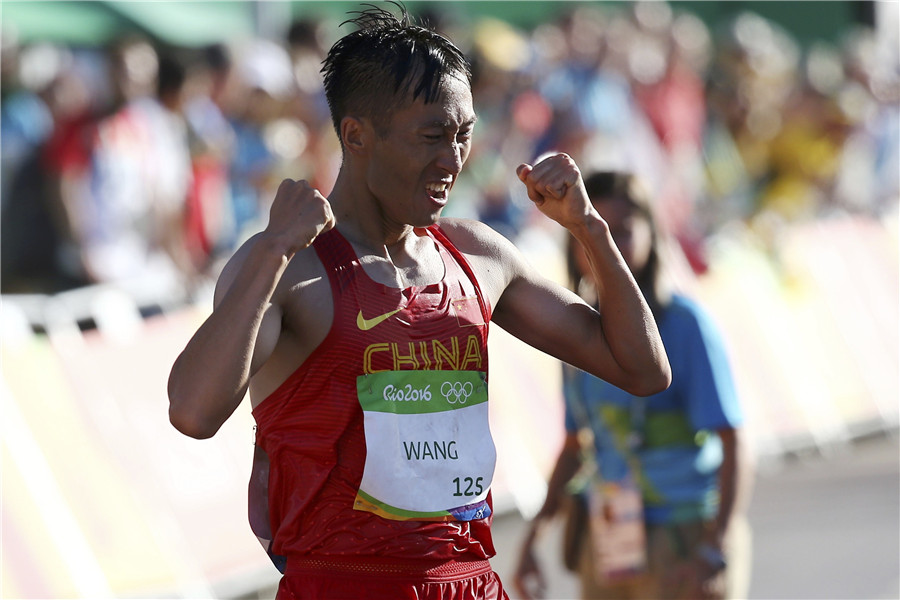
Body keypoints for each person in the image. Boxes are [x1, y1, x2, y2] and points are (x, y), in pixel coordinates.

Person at [167, 6, 670, 599]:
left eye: (464, 133)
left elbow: (642, 368)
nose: (454, 159)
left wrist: (589, 229)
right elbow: (193, 412)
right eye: (432, 136)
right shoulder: (292, 266)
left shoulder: (478, 255)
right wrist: (275, 246)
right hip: (344, 586)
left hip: (469, 583)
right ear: (356, 135)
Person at [514, 171, 749, 600]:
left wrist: (715, 545)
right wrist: (534, 538)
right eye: (590, 228)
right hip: (610, 541)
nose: (608, 242)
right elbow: (575, 445)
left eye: (620, 229)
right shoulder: (577, 333)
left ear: (651, 234)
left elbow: (732, 440)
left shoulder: (684, 327)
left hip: (682, 538)